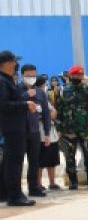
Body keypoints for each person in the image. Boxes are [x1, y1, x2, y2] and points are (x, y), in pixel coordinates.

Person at [0, 49, 39, 206]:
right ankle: (15, 196)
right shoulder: (2, 82)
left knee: (11, 162)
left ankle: (6, 193)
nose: (16, 64)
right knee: (14, 163)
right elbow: (3, 105)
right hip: (12, 128)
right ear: (6, 64)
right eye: (13, 61)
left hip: (16, 127)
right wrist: (25, 104)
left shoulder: (8, 80)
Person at [56, 65, 88, 190]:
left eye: (79, 75)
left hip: (85, 128)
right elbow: (58, 109)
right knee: (69, 156)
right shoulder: (63, 90)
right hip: (68, 129)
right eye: (75, 75)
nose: (77, 77)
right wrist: (59, 127)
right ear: (70, 76)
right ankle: (73, 181)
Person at [21, 64, 52, 198]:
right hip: (19, 131)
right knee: (18, 163)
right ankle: (16, 191)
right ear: (22, 76)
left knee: (34, 161)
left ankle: (34, 187)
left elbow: (46, 113)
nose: (31, 78)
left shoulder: (40, 93)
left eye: (33, 76)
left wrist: (47, 133)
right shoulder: (16, 90)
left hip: (34, 131)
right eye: (28, 76)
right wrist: (25, 95)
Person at [36, 74, 62, 191]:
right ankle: (38, 183)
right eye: (42, 85)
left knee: (52, 160)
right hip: (40, 134)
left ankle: (52, 182)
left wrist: (49, 115)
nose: (44, 88)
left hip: (51, 133)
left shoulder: (45, 100)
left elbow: (54, 112)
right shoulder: (33, 100)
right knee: (39, 161)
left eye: (45, 85)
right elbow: (39, 116)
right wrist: (46, 116)